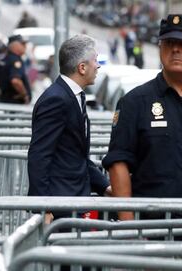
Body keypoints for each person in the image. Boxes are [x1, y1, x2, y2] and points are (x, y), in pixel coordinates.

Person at [102, 14, 182, 221]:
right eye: (169, 43)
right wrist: (128, 228)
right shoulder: (135, 102)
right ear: (160, 48)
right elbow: (118, 163)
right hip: (153, 230)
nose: (176, 49)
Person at [28, 34, 111, 223]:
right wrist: (43, 207)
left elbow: (75, 155)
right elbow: (39, 154)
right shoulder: (56, 99)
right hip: (60, 206)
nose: (98, 66)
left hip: (73, 200)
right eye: (95, 60)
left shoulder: (73, 96)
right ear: (82, 67)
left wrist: (105, 187)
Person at [0, 34, 31, 104]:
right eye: (22, 44)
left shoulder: (4, 60)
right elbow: (15, 81)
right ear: (14, 46)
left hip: (3, 100)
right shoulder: (16, 60)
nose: (25, 46)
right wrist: (24, 95)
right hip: (14, 102)